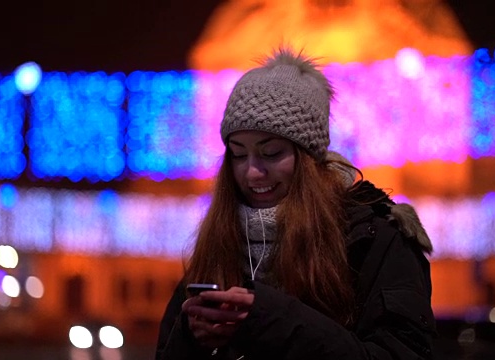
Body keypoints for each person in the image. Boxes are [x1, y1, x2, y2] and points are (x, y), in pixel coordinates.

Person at [155, 47, 436, 359]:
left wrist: (271, 317)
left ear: (309, 159)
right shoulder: (219, 241)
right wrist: (192, 338)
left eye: (271, 152)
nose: (252, 171)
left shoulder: (374, 239)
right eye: (238, 153)